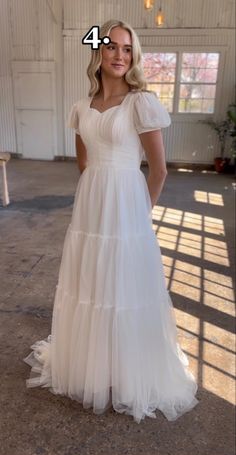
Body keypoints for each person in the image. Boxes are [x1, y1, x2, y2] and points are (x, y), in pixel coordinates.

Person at [24, 19, 198, 424]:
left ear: (133, 56)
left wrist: (139, 215)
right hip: (91, 205)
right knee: (92, 281)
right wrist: (95, 194)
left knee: (124, 286)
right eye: (111, 47)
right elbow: (84, 164)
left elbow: (159, 171)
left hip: (127, 207)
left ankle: (126, 371)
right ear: (98, 53)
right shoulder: (80, 108)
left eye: (126, 48)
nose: (119, 55)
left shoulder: (142, 102)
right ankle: (93, 367)